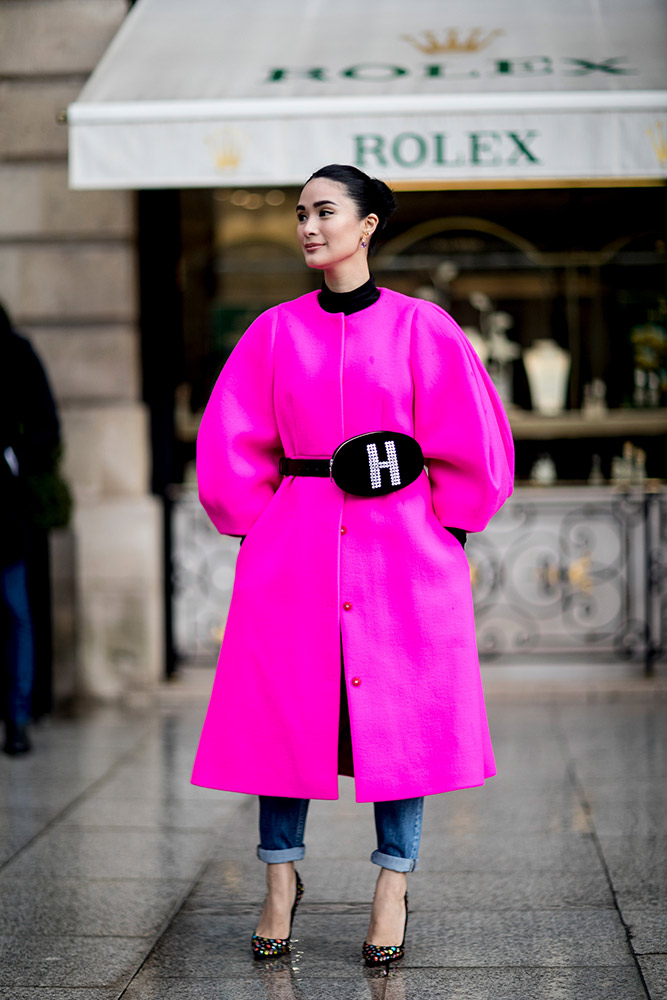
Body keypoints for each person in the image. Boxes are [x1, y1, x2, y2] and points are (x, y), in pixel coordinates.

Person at [191, 164, 514, 966]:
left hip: (401, 548)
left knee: (400, 718)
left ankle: (392, 884)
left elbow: (471, 440)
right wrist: (255, 524)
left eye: (324, 212)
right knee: (282, 713)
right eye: (301, 213)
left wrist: (447, 527)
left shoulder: (422, 328)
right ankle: (277, 879)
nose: (308, 226)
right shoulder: (272, 331)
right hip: (292, 548)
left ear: (366, 225)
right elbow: (231, 442)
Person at [0, 303, 63, 755]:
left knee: (16, 612)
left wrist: (11, 460)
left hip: (4, 512)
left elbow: (46, 426)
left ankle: (18, 717)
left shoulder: (14, 351)